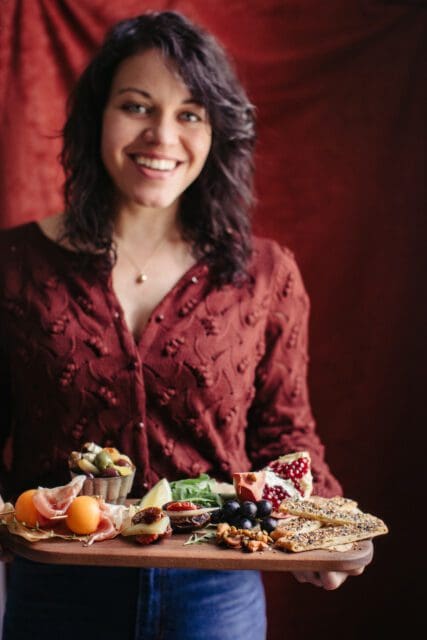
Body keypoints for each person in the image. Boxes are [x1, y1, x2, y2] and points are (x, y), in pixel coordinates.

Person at [0, 11, 365, 640]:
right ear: (97, 119)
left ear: (217, 133)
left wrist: (321, 528)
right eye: (138, 106)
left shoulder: (265, 275)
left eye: (190, 114)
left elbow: (284, 432)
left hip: (215, 590)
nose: (162, 135)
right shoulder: (14, 265)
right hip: (56, 587)